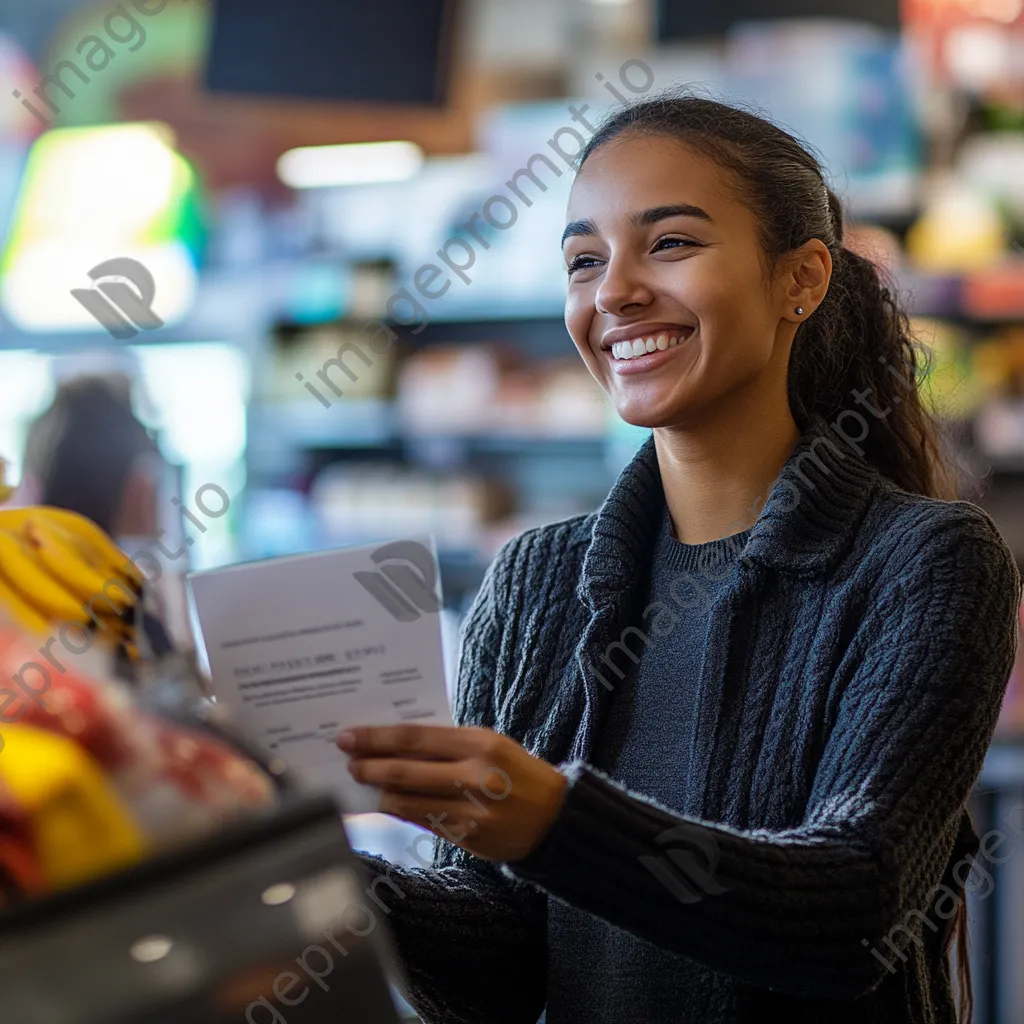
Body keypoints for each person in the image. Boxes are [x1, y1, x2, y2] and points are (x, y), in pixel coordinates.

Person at [336, 94, 1021, 1024]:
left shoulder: (924, 563)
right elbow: (497, 964)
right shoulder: (536, 584)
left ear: (802, 280)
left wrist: (554, 821)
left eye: (669, 244)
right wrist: (318, 873)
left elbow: (853, 911)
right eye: (584, 260)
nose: (613, 290)